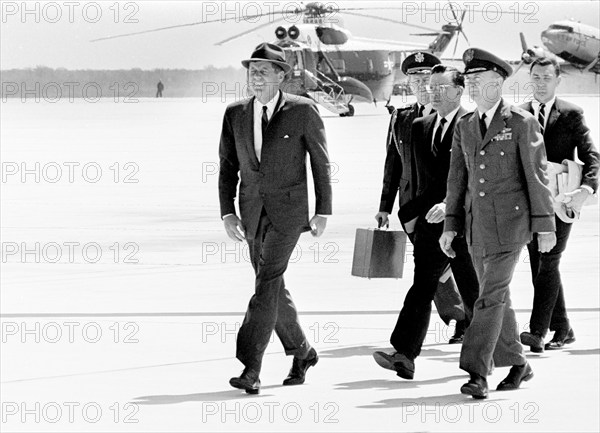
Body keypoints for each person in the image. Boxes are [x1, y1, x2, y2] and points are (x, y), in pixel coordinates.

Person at [439, 48, 557, 399]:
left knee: (487, 297)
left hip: (511, 226)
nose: (470, 87)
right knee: (497, 296)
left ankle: (477, 371)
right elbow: (456, 180)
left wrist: (545, 225)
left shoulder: (521, 122)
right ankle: (519, 364)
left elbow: (537, 177)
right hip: (477, 229)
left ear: (497, 82)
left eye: (476, 80)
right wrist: (450, 224)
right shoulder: (465, 126)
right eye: (468, 81)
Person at [218, 43, 332, 394]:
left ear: (282, 75)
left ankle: (251, 366)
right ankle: (303, 351)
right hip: (251, 212)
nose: (255, 75)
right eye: (252, 69)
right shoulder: (235, 113)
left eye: (264, 70)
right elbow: (227, 168)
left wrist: (323, 210)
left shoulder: (303, 111)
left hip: (288, 214)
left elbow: (320, 163)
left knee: (266, 282)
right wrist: (227, 212)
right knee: (273, 286)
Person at [372, 64, 479, 379]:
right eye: (430, 86)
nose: (433, 91)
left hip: (464, 223)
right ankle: (404, 353)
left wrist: (449, 205)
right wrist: (411, 215)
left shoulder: (473, 125)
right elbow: (424, 181)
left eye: (440, 87)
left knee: (475, 293)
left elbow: (475, 176)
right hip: (430, 225)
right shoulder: (420, 126)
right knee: (422, 286)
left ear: (459, 91)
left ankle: (510, 359)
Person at [519, 57, 599, 352]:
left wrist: (585, 190)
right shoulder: (518, 114)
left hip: (562, 200)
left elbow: (592, 157)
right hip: (530, 203)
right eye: (535, 77)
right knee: (539, 264)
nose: (540, 83)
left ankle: (538, 331)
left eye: (546, 78)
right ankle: (563, 327)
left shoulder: (571, 114)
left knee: (548, 261)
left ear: (557, 80)